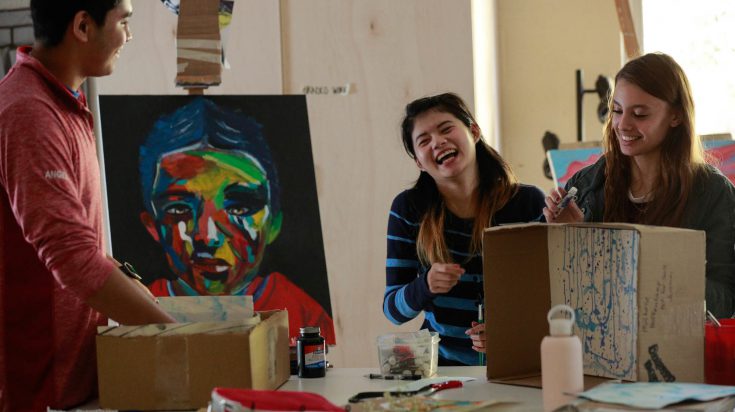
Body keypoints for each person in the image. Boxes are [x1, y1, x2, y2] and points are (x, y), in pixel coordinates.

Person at [0, 1, 176, 410]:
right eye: (123, 22)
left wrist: (162, 312)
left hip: (72, 384)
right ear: (82, 25)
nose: (127, 37)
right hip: (40, 390)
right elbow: (72, 256)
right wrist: (179, 336)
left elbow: (87, 249)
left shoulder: (62, 104)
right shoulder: (29, 112)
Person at [543, 52, 735, 318]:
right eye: (617, 110)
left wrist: (659, 274)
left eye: (640, 114)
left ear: (676, 116)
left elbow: (725, 300)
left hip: (675, 350)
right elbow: (554, 288)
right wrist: (565, 238)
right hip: (598, 347)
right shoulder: (586, 184)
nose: (622, 124)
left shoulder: (713, 193)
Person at [138, 97, 336, 344]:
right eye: (179, 209)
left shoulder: (303, 314)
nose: (208, 236)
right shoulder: (134, 312)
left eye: (239, 207)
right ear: (152, 225)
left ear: (273, 223)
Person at [384, 93, 546, 365]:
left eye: (446, 129)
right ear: (419, 162)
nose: (438, 142)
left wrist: (511, 332)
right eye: (424, 141)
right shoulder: (408, 209)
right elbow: (393, 311)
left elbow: (551, 297)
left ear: (474, 131)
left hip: (519, 363)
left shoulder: (527, 203)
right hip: (441, 372)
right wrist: (425, 285)